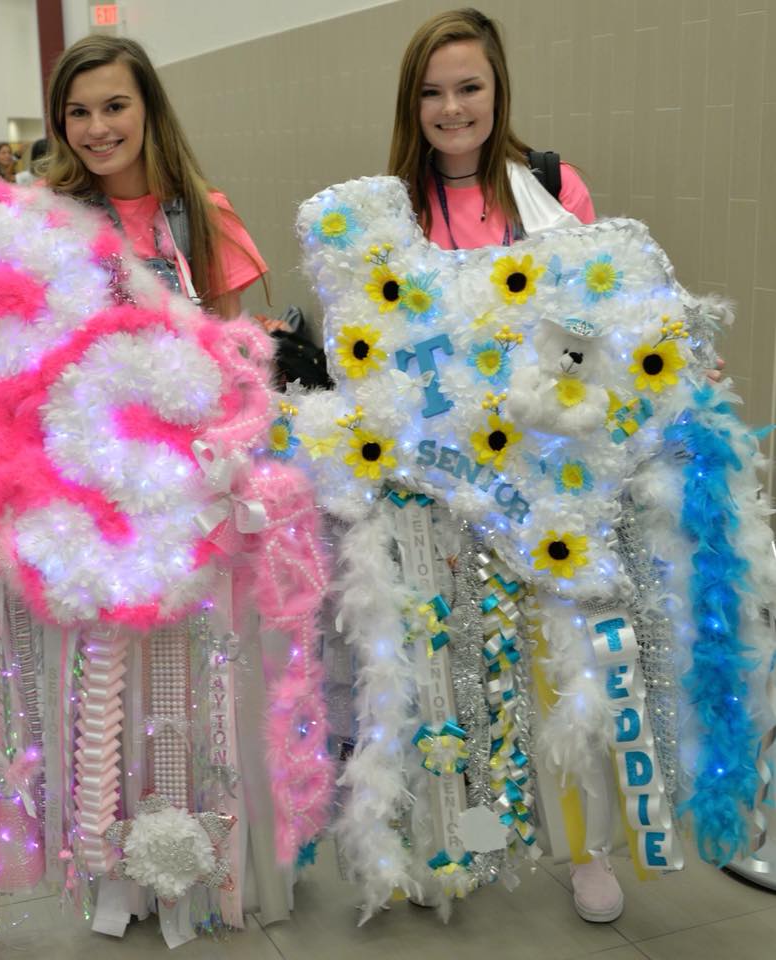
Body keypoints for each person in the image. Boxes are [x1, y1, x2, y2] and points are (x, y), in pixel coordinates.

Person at [387, 7, 621, 922]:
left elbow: (598, 317)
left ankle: (585, 845)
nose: (453, 108)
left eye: (469, 87)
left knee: (563, 656)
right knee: (453, 660)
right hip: (441, 475)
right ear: (413, 103)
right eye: (434, 92)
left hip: (550, 474)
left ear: (498, 89)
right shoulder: (394, 208)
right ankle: (470, 831)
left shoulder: (553, 189)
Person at [42, 35, 266, 317]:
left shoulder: (205, 214)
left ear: (150, 109)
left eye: (115, 107)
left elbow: (226, 346)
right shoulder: (43, 215)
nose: (97, 128)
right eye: (79, 112)